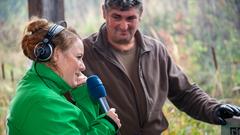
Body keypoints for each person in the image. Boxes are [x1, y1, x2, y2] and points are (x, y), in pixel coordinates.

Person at [82, 0, 240, 134]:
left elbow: (185, 93)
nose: (124, 26)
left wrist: (214, 109)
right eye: (116, 17)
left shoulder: (156, 50)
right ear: (104, 12)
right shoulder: (83, 53)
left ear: (141, 15)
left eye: (130, 18)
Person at [6, 17, 121, 135]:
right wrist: (106, 126)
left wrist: (83, 95)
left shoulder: (37, 86)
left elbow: (80, 130)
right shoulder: (44, 103)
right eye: (78, 57)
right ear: (56, 54)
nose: (83, 67)